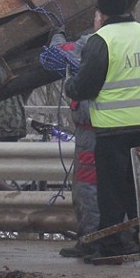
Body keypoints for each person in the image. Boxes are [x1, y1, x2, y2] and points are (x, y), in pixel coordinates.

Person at [64, 0, 140, 262]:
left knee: (110, 188)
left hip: (113, 127)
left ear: (101, 13)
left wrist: (71, 85)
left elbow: (85, 86)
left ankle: (109, 247)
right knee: (136, 184)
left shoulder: (101, 40)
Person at [40, 31, 99, 258]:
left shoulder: (91, 43)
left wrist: (57, 34)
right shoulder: (132, 44)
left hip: (91, 130)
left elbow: (58, 52)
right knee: (117, 188)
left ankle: (92, 241)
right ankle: (121, 239)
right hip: (122, 127)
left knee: (88, 188)